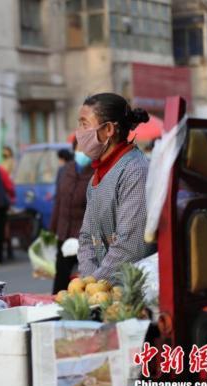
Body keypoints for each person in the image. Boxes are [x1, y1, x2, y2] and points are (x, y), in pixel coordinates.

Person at [77, 93, 155, 282]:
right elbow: (87, 237)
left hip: (134, 288)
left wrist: (95, 282)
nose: (79, 132)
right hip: (102, 289)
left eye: (84, 124)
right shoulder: (97, 176)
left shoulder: (135, 171)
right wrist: (90, 281)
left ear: (109, 129)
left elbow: (130, 246)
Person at [49, 140, 94, 293]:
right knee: (61, 276)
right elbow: (58, 201)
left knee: (86, 279)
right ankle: (56, 308)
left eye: (86, 148)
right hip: (64, 232)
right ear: (74, 150)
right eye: (80, 148)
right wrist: (53, 229)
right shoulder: (65, 170)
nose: (83, 152)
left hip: (84, 235)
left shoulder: (96, 172)